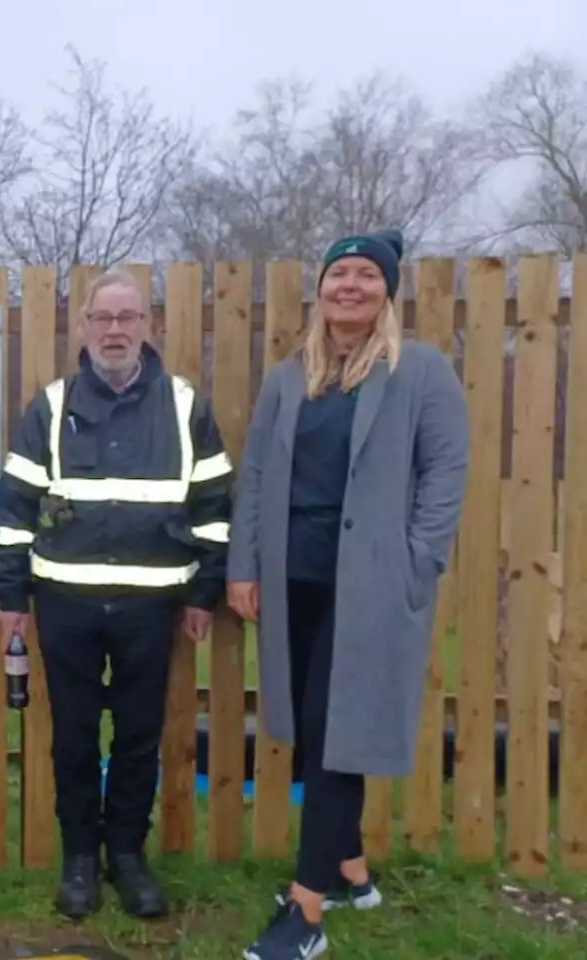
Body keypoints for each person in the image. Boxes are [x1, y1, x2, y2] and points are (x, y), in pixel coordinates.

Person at [227, 230, 468, 960]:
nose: (351, 286)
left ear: (386, 291)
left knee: (338, 731)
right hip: (292, 574)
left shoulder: (417, 372)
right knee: (315, 725)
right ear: (322, 289)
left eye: (368, 275)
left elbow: (445, 471)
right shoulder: (287, 378)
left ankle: (306, 911)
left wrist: (417, 560)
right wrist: (244, 564)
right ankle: (350, 869)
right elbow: (260, 477)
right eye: (340, 274)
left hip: (367, 582)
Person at [0, 268, 234, 920]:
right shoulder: (51, 406)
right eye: (104, 319)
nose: (116, 330)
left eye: (128, 318)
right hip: (64, 605)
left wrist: (205, 593)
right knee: (72, 737)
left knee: (137, 737)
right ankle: (78, 860)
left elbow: (215, 510)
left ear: (147, 325)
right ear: (86, 326)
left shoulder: (186, 407)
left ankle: (127, 856)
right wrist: (11, 597)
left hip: (151, 608)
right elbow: (13, 509)